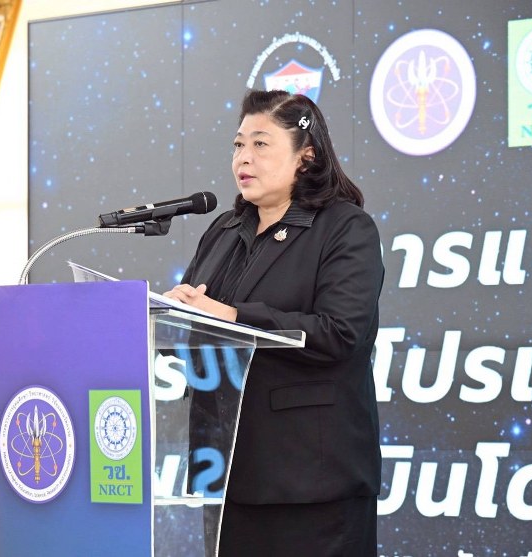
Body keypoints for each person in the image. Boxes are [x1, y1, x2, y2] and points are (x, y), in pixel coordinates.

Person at [163, 89, 384, 556]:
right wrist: (173, 313)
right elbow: (198, 327)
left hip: (310, 480)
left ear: (307, 156)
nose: (243, 158)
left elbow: (340, 334)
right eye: (238, 145)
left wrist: (233, 316)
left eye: (260, 144)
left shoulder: (345, 228)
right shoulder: (223, 230)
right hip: (226, 469)